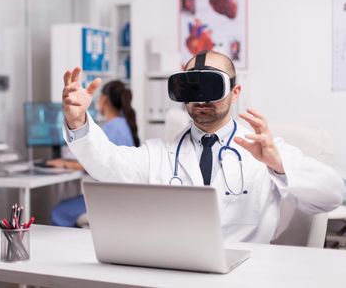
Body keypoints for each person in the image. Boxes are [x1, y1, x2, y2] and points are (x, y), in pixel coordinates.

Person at [61, 51, 345, 243]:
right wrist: (78, 123)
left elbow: (332, 195)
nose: (201, 98)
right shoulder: (160, 153)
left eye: (212, 85)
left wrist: (278, 164)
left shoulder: (265, 151)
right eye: (192, 88)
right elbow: (107, 164)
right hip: (178, 275)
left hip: (250, 276)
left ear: (235, 93)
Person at [50, 80, 139, 227]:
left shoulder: (113, 127)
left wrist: (65, 163)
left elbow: (94, 159)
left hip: (110, 200)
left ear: (103, 99)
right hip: (121, 198)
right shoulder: (123, 124)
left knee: (59, 212)